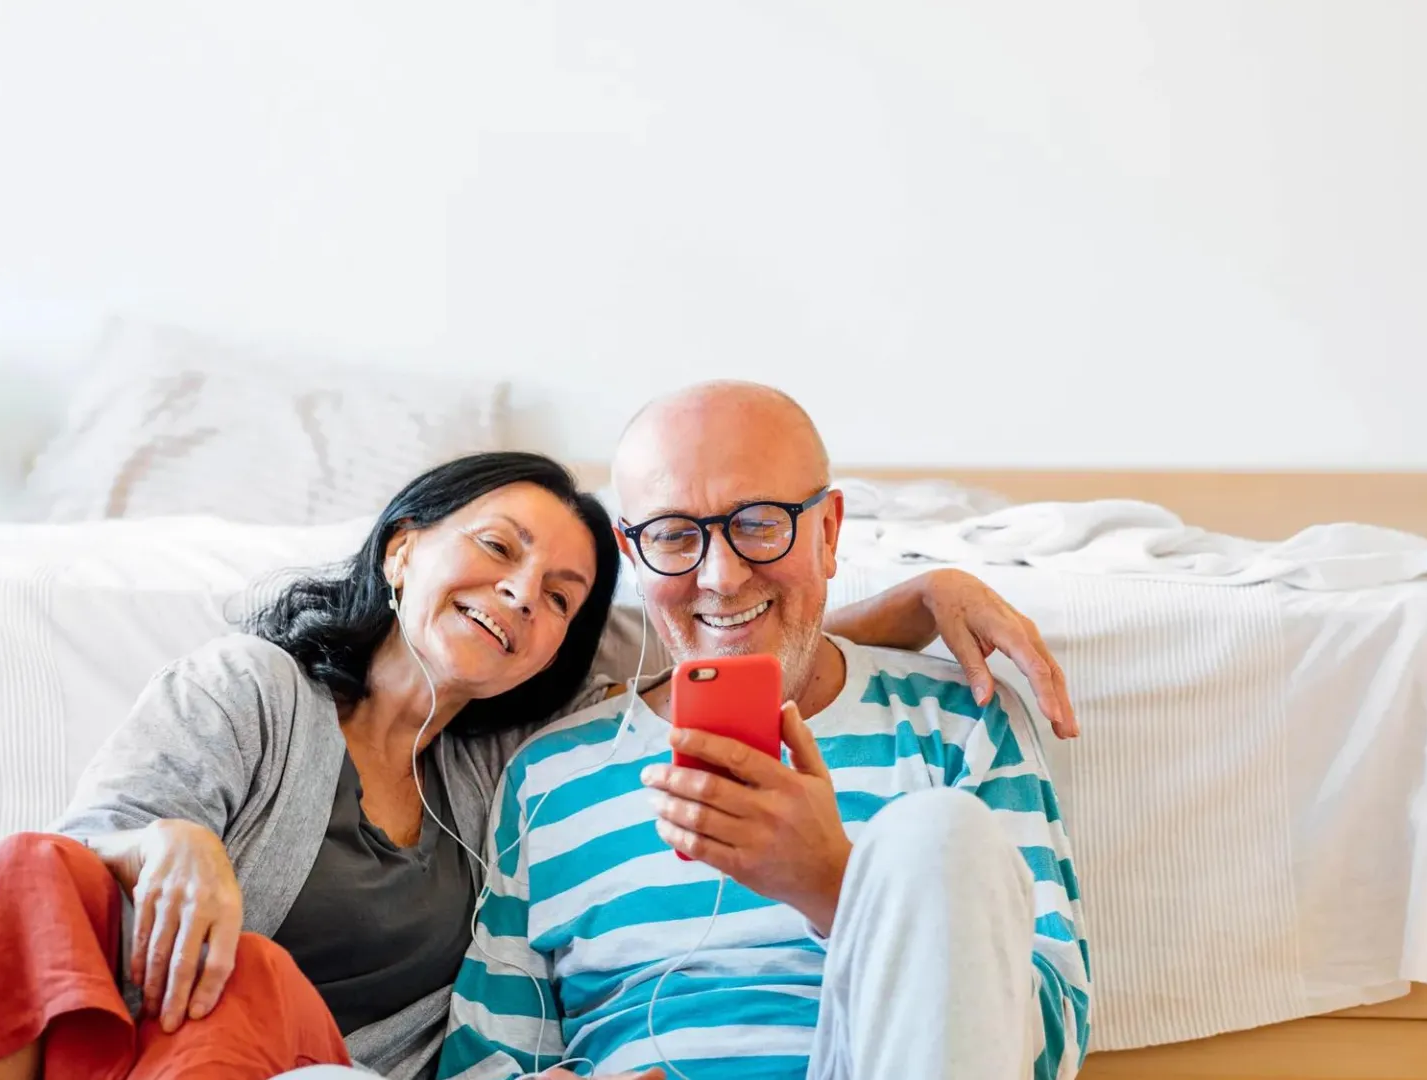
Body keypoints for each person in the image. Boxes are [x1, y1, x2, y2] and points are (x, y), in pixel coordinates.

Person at [0, 451, 1077, 1080]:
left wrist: (914, 601)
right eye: (496, 549)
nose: (518, 596)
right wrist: (169, 837)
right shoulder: (257, 692)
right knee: (29, 873)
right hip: (152, 1032)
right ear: (403, 548)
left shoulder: (503, 764)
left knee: (271, 1011)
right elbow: (77, 878)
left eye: (560, 598)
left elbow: (718, 620)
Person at [440, 386, 1090, 1080]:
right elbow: (483, 1060)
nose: (721, 577)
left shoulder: (959, 719)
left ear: (828, 532)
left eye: (758, 523)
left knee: (938, 831)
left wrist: (834, 885)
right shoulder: (551, 775)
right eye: (673, 535)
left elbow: (1050, 1039)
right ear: (634, 555)